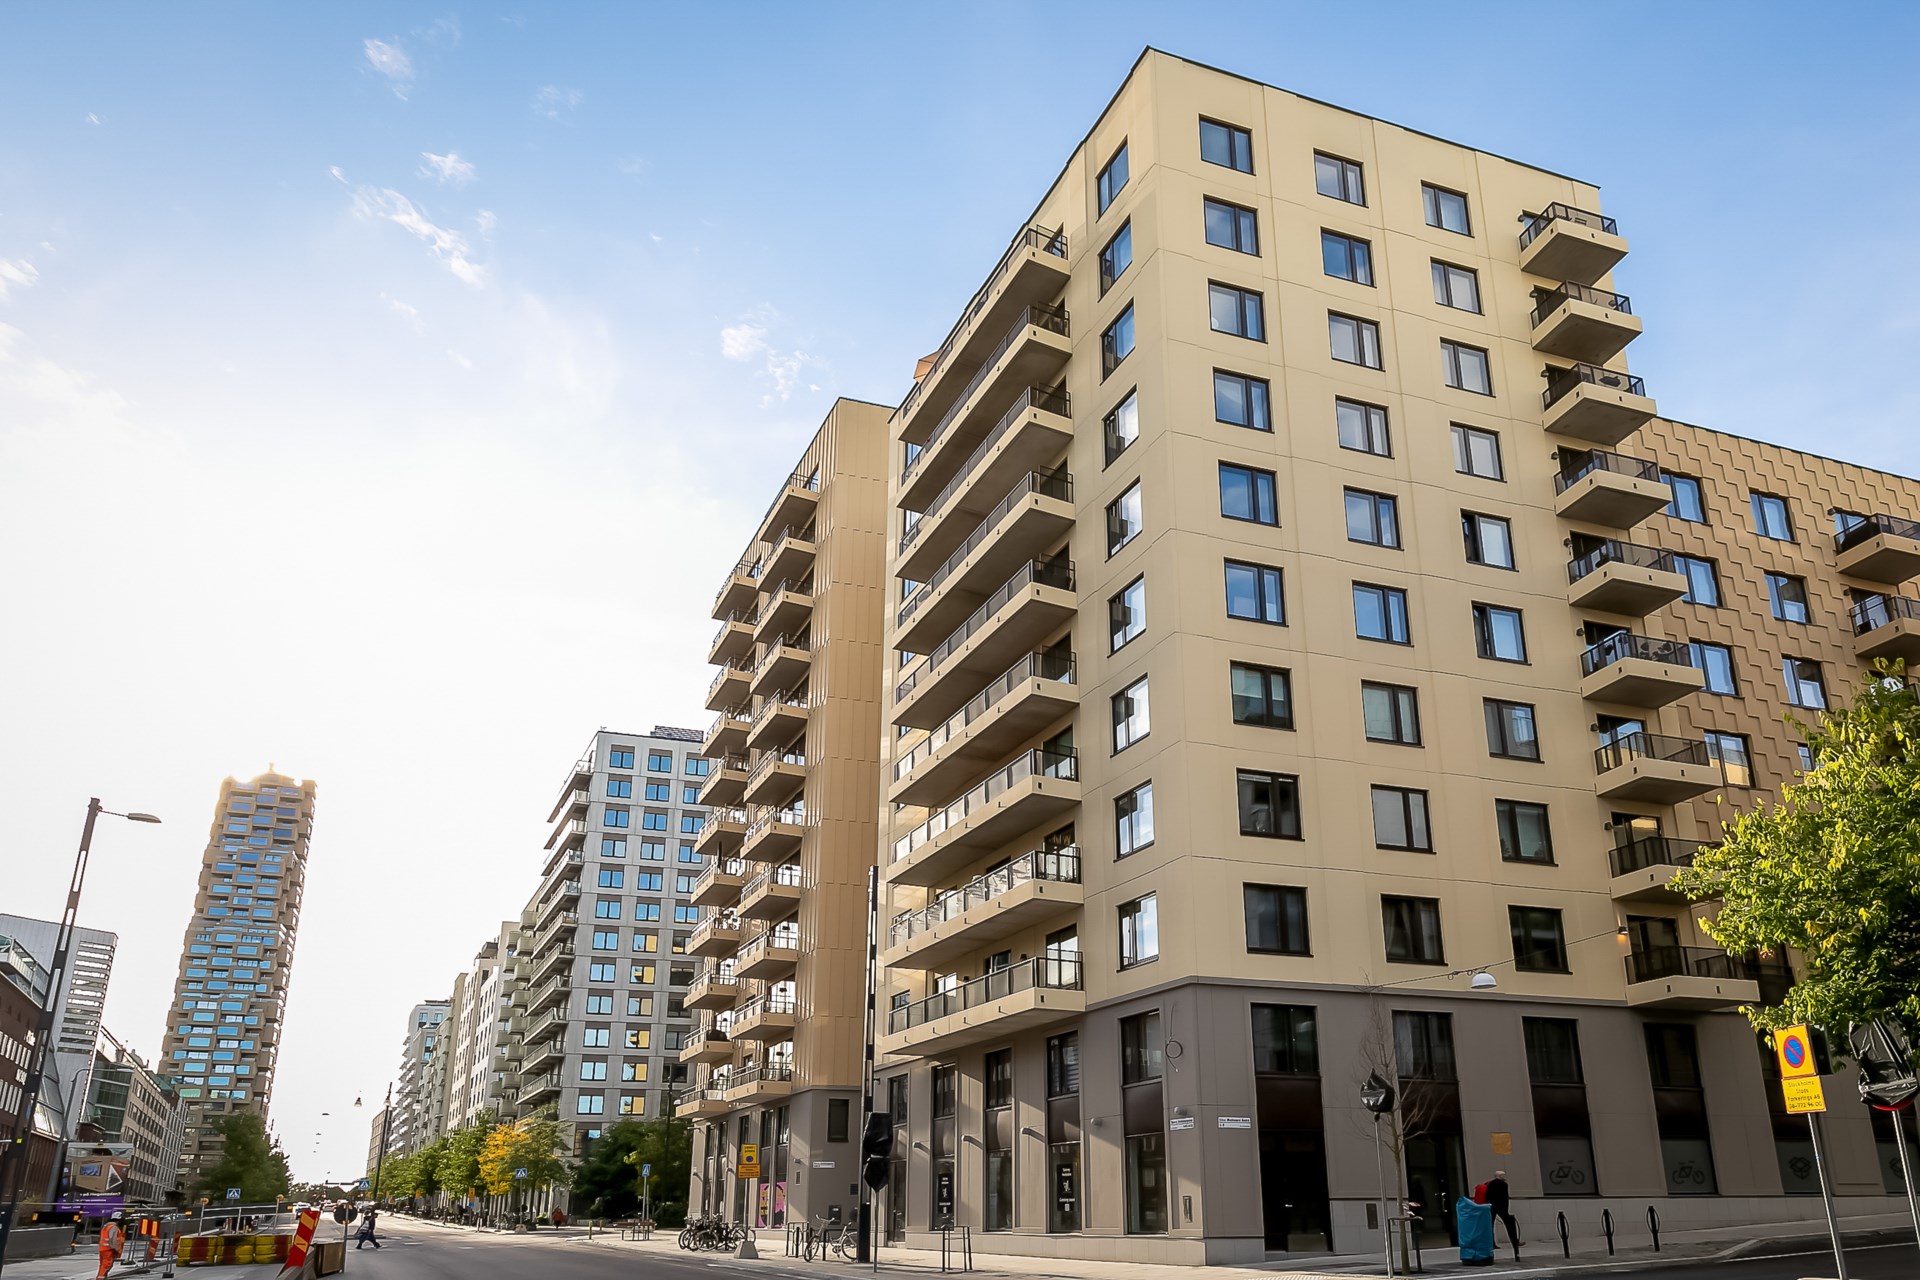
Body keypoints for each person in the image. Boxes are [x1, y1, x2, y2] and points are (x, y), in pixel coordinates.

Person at [1486, 1170, 1521, 1250]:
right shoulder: (1504, 1184)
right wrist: (1506, 1209)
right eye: (1503, 1175)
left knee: (1490, 1225)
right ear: (1500, 1176)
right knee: (1509, 1224)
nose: (1505, 1177)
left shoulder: (1490, 1184)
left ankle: (1492, 1243)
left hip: (1492, 1207)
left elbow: (1487, 1196)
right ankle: (1514, 1241)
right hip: (1501, 1207)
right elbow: (1505, 1198)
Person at [96, 1211, 126, 1280]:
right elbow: (113, 1239)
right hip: (109, 1249)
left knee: (103, 1265)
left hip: (103, 1249)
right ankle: (101, 1278)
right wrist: (116, 1249)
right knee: (106, 1265)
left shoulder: (106, 1226)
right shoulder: (114, 1227)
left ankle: (102, 1277)